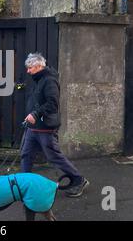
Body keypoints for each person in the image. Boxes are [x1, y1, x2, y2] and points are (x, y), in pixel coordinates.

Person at [21, 52, 89, 198]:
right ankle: (24, 185)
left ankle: (79, 180)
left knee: (53, 157)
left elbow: (53, 104)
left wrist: (35, 114)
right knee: (26, 155)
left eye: (30, 68)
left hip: (45, 129)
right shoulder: (39, 80)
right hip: (33, 128)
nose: (28, 71)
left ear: (39, 66)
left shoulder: (49, 81)